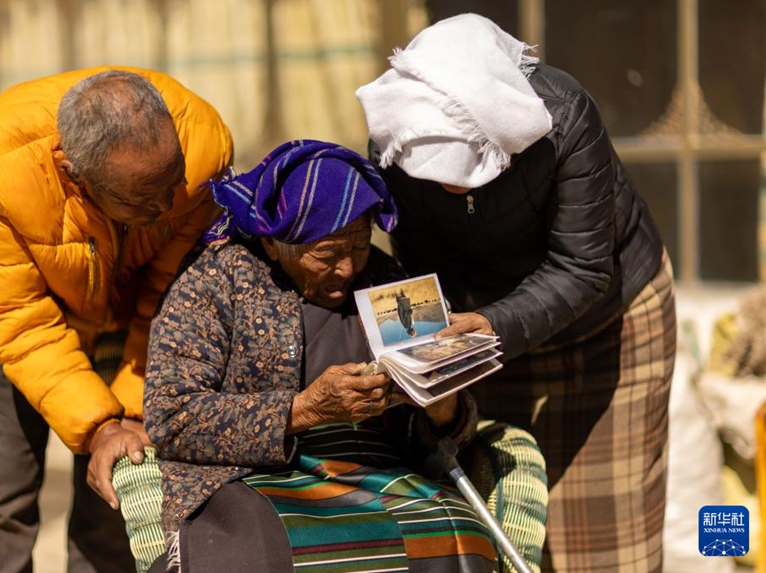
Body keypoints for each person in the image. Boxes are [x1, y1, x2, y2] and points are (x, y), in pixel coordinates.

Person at [356, 13, 676, 573]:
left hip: (605, 325)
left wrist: (490, 325)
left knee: (601, 536)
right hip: (485, 341)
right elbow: (416, 264)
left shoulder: (567, 118)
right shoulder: (397, 135)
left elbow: (581, 268)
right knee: (504, 523)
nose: (450, 186)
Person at [136, 140, 546, 573]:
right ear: (274, 243)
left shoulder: (388, 282)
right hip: (252, 480)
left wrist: (441, 405)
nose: (348, 269)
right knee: (257, 552)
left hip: (377, 475)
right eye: (328, 255)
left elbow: (441, 433)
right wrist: (306, 409)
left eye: (359, 246)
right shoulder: (216, 280)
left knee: (456, 535)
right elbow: (172, 418)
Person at [0, 67, 233, 572]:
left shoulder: (203, 143)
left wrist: (134, 413)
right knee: (1, 497)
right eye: (143, 200)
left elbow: (172, 293)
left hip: (126, 312)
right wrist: (99, 426)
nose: (166, 206)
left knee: (123, 483)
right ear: (75, 175)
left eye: (172, 183)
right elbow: (21, 322)